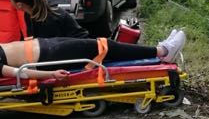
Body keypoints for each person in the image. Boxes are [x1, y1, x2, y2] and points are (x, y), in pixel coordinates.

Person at [0, 29, 186, 81]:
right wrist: (51, 75)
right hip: (48, 56)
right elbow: (19, 73)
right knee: (103, 47)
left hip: (45, 46)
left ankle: (160, 49)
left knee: (101, 47)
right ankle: (163, 52)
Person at [9, 0, 90, 38]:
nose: (10, 1)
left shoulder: (49, 19)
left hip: (80, 52)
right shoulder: (29, 14)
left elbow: (53, 48)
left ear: (19, 5)